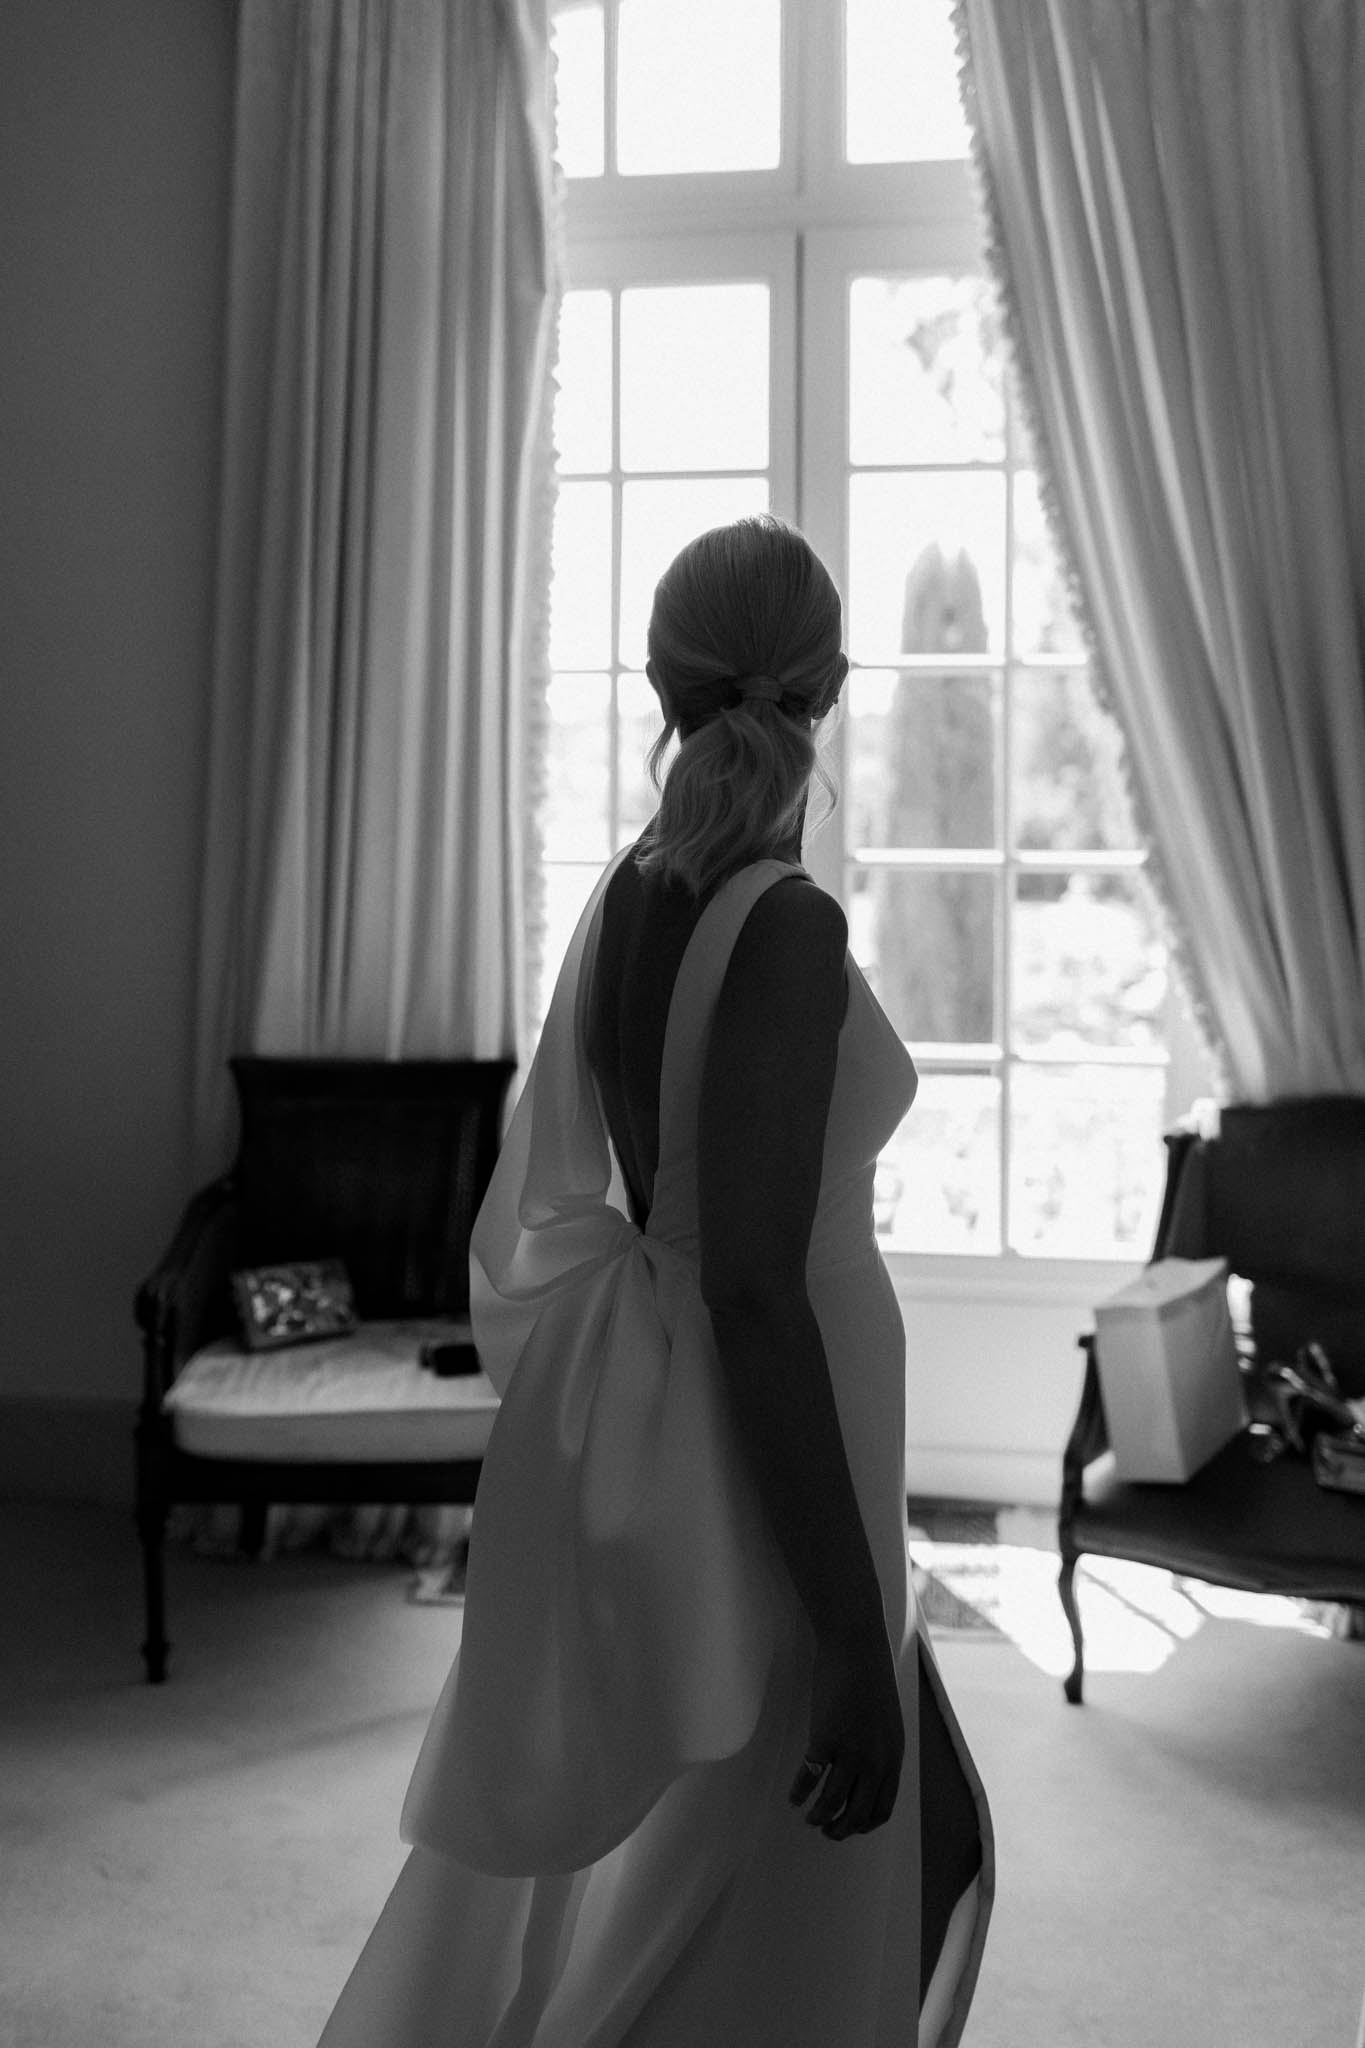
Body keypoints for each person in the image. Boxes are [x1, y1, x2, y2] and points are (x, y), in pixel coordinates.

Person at [316, 514, 993, 2048]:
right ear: (829, 685)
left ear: (656, 675)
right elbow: (751, 1291)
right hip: (763, 1429)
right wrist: (843, 1636)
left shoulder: (639, 889)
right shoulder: (785, 924)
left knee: (810, 1843)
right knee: (780, 1860)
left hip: (717, 1406)